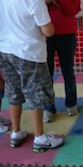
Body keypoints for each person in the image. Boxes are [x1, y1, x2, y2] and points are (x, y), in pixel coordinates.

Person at [0, 0, 64, 151]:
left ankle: (16, 133)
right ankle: (40, 137)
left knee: (14, 92)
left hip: (6, 50)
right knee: (35, 94)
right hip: (29, 52)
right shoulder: (34, 1)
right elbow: (48, 31)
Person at [43, 0, 81, 122]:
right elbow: (34, 8)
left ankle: (71, 103)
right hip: (45, 34)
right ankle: (48, 107)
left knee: (68, 71)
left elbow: (73, 10)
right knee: (47, 73)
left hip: (67, 34)